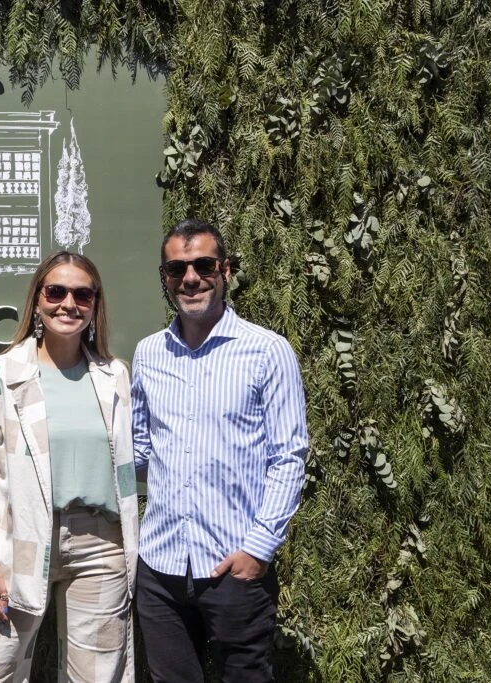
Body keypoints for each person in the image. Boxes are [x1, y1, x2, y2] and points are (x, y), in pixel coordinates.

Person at [131, 219, 309, 682]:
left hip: (235, 566)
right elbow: (140, 450)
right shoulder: (148, 354)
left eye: (203, 266)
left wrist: (259, 549)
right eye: (177, 269)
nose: (190, 278)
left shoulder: (268, 352)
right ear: (165, 278)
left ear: (225, 270)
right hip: (161, 567)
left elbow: (288, 458)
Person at [0, 251, 139, 682]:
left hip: (101, 548)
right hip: (21, 543)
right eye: (56, 292)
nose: (68, 304)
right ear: (37, 300)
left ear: (95, 305)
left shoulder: (115, 377)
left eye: (82, 295)